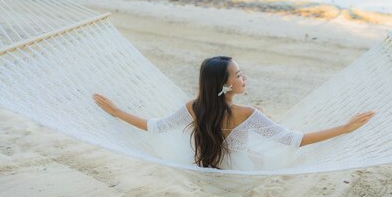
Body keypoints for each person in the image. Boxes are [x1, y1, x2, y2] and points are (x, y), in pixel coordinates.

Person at [93, 56, 375, 170]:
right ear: (226, 84)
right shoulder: (247, 113)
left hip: (208, 169)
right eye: (239, 75)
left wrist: (117, 112)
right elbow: (294, 140)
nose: (244, 78)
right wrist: (345, 128)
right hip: (241, 173)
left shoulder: (194, 106)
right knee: (264, 146)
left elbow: (156, 126)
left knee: (255, 126)